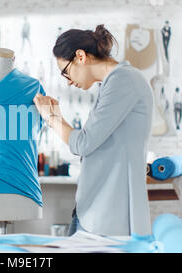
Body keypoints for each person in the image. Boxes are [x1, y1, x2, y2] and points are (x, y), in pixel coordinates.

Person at [33, 25, 154, 236]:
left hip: (108, 213)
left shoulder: (123, 80)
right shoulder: (112, 83)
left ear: (80, 56)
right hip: (97, 206)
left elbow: (83, 143)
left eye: (66, 72)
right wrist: (57, 118)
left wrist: (51, 118)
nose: (69, 82)